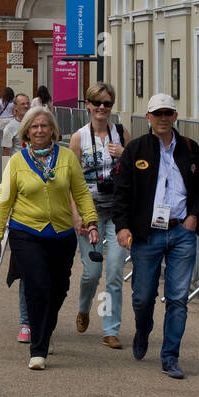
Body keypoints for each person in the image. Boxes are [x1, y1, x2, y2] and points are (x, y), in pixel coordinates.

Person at [0, 107, 99, 369]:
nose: (39, 130)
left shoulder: (66, 158)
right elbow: (4, 201)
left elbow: (81, 192)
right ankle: (38, 350)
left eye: (44, 126)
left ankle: (44, 331)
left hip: (61, 234)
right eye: (34, 126)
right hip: (26, 233)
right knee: (37, 286)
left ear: (53, 130)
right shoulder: (17, 161)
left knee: (59, 289)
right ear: (27, 131)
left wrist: (91, 221)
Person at [113, 94, 199, 379]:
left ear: (175, 116)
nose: (164, 118)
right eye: (158, 113)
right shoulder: (136, 149)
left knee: (178, 297)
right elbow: (122, 191)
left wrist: (193, 217)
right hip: (147, 233)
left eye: (168, 113)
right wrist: (122, 226)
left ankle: (170, 356)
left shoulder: (191, 149)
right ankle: (143, 330)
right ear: (149, 118)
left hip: (182, 231)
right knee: (143, 296)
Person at [70, 82, 127, 350]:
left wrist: (124, 155)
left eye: (107, 103)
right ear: (88, 105)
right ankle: (83, 308)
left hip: (117, 213)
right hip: (90, 213)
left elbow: (138, 170)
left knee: (115, 271)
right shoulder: (79, 137)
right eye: (97, 103)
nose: (102, 108)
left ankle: (110, 329)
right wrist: (76, 215)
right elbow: (70, 180)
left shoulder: (122, 134)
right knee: (92, 272)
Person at [0, 93, 32, 341]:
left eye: (28, 103)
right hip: (20, 186)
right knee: (26, 269)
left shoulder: (35, 123)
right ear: (15, 108)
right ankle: (26, 321)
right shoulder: (11, 127)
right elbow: (6, 153)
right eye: (22, 104)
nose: (26, 107)